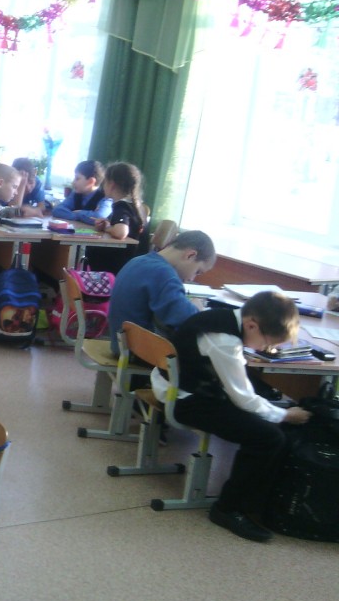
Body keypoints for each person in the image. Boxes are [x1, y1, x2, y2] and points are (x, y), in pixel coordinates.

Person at [152, 292, 312, 542]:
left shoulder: (224, 318)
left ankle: (254, 500)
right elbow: (243, 398)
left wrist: (274, 413)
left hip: (179, 385)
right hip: (184, 399)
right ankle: (227, 509)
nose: (266, 349)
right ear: (252, 325)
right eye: (267, 343)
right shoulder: (225, 341)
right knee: (268, 438)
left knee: (265, 411)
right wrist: (284, 415)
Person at [108, 230, 217, 356]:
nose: (192, 278)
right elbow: (186, 319)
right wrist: (198, 309)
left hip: (120, 343)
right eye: (197, 272)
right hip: (139, 353)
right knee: (209, 353)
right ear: (190, 255)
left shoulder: (138, 261)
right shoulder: (164, 274)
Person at [88, 161, 147, 274]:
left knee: (91, 250)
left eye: (105, 182)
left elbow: (121, 232)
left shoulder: (121, 206)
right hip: (135, 262)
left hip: (121, 265)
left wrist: (107, 228)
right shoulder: (137, 206)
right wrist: (108, 225)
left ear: (111, 184)